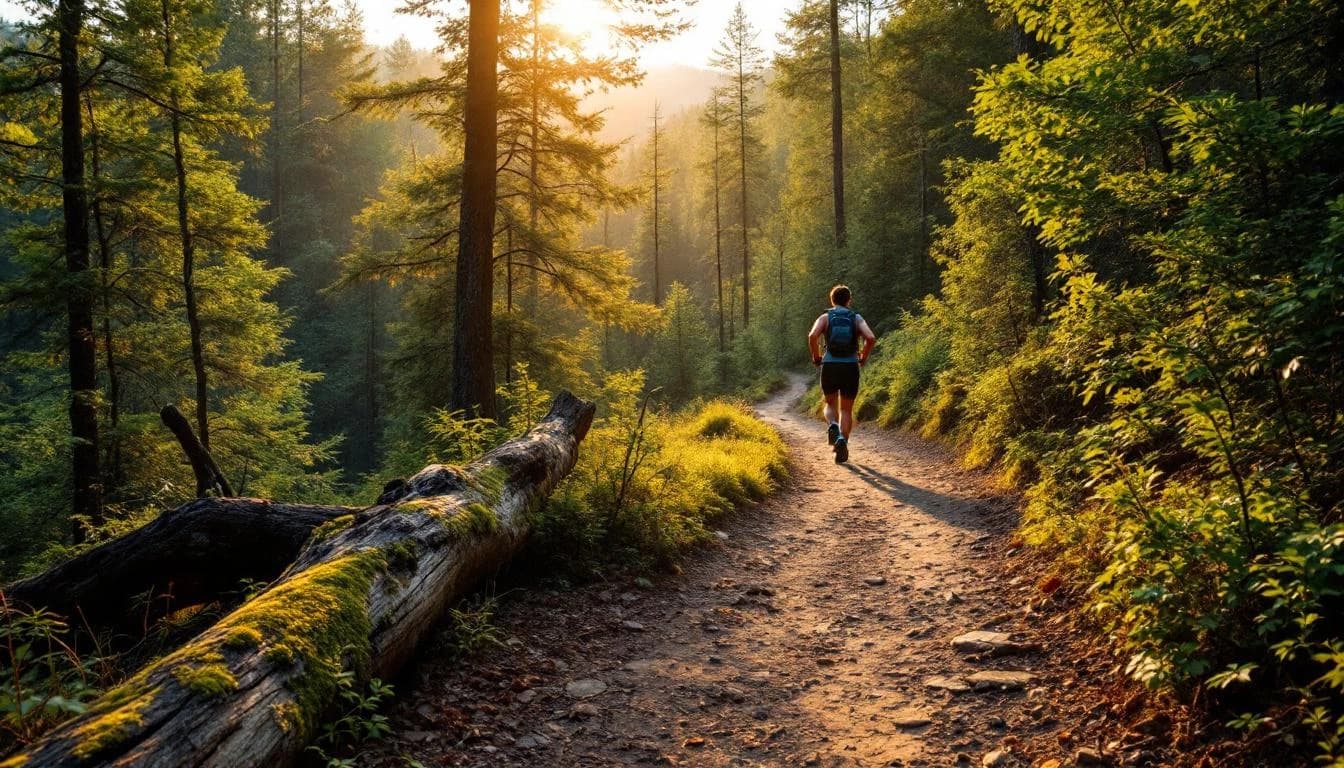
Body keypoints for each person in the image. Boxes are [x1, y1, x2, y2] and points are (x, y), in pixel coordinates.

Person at [807, 285, 877, 463]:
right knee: (846, 409)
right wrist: (863, 357)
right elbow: (870, 338)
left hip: (830, 365)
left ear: (832, 300)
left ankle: (833, 426)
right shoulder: (856, 318)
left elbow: (812, 336)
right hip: (850, 367)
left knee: (830, 404)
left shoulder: (825, 317)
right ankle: (842, 441)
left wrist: (816, 357)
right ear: (849, 300)